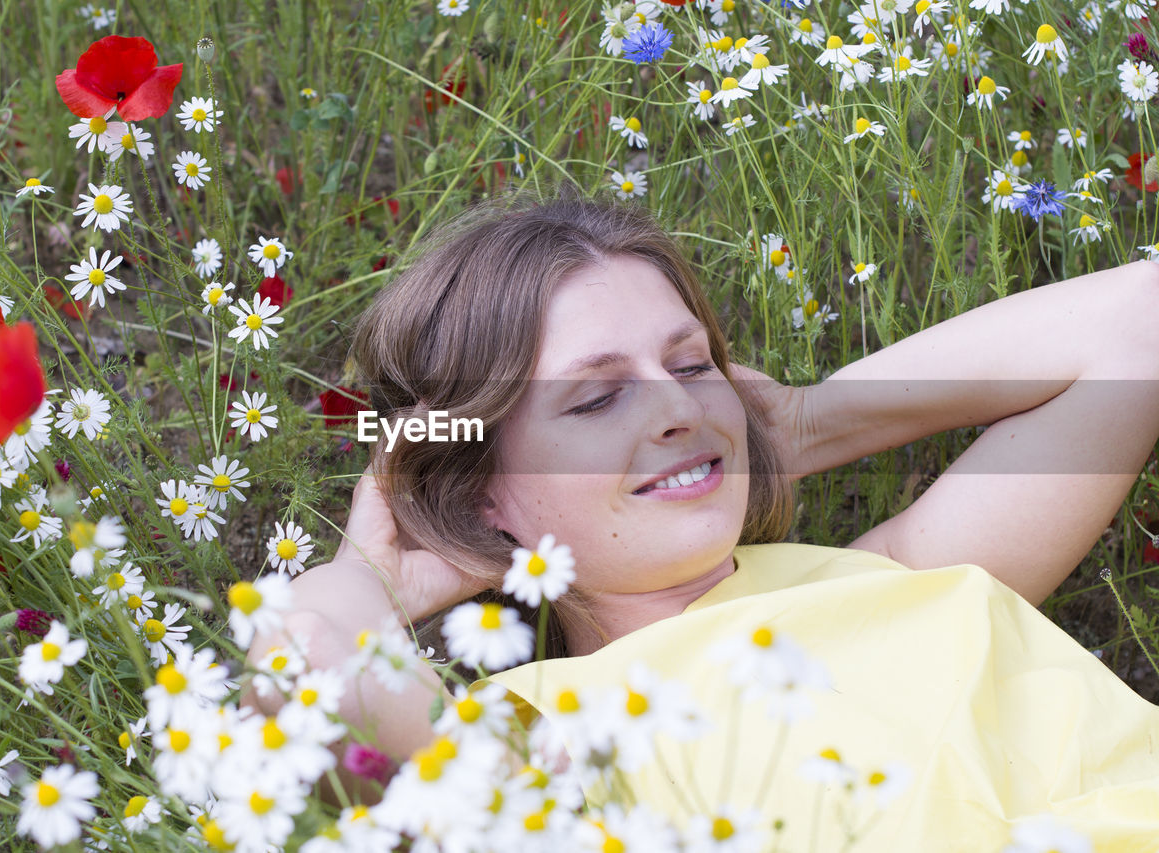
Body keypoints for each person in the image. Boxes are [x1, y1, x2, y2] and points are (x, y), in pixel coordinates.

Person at [245, 187, 1159, 850]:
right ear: (485, 490)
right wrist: (374, 573)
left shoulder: (904, 574)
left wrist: (793, 421)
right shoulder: (534, 741)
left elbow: (1137, 319)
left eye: (689, 367)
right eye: (596, 398)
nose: (678, 409)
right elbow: (307, 659)